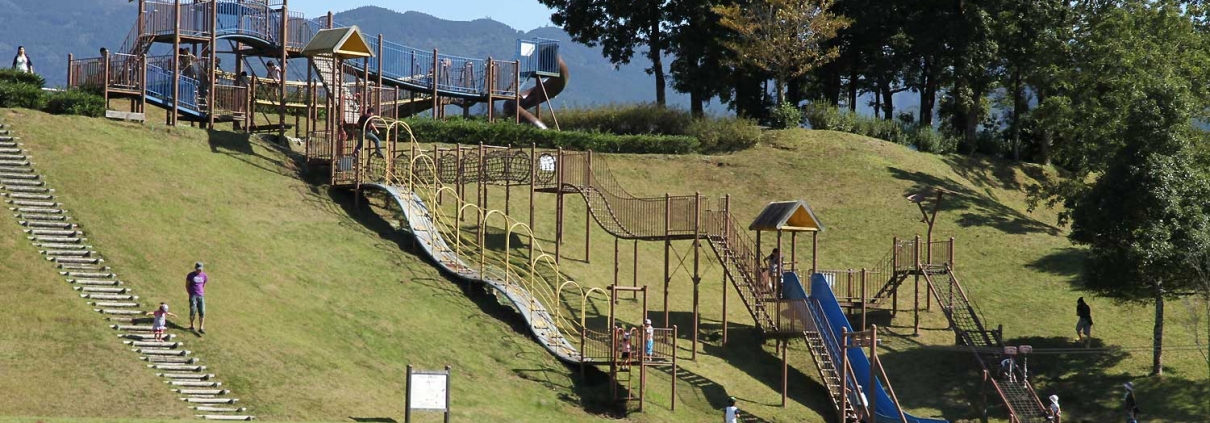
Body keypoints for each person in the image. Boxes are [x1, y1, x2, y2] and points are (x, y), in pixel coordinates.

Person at [186, 262, 208, 334]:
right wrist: (190, 293)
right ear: (195, 268)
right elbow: (187, 285)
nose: (200, 270)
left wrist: (201, 292)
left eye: (201, 269)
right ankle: (192, 325)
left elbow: (203, 284)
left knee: (202, 311)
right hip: (193, 295)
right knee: (193, 310)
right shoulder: (190, 275)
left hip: (201, 296)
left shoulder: (204, 276)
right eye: (198, 269)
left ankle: (201, 327)